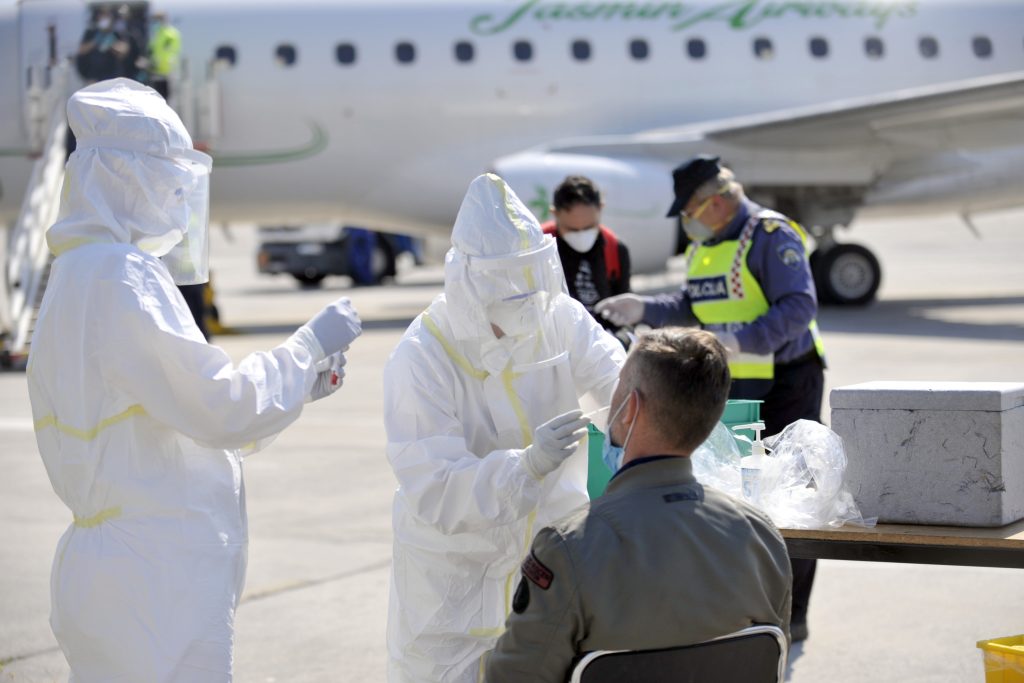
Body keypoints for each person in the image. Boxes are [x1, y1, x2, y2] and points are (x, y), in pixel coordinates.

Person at [26, 79, 363, 682]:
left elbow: (180, 419)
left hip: (125, 574)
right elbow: (221, 408)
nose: (180, 196)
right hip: (155, 581)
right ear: (124, 177)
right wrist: (306, 345)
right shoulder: (121, 275)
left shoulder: (78, 274)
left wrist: (297, 385)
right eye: (168, 177)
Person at [384, 173, 626, 682]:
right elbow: (437, 488)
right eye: (505, 292)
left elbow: (622, 384)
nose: (522, 308)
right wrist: (528, 465)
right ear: (471, 287)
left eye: (526, 285)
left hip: (548, 565)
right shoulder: (423, 356)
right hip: (455, 581)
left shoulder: (555, 315)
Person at [595, 155, 825, 642]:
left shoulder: (769, 235)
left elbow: (799, 306)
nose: (687, 221)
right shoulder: (708, 245)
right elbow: (690, 304)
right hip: (738, 385)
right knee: (738, 495)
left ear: (716, 202)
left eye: (691, 211)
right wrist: (645, 307)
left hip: (787, 379)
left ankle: (791, 614)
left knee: (791, 499)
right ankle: (743, 606)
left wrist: (741, 339)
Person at [485, 328, 792, 683]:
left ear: (630, 408)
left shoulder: (569, 549)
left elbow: (512, 677)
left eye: (616, 387)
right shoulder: (761, 539)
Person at [539, 176, 631, 339]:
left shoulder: (615, 249)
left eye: (589, 227)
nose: (581, 235)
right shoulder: (538, 249)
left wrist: (621, 339)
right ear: (555, 214)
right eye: (571, 229)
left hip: (603, 341)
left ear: (601, 208)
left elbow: (626, 313)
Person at [146, 12, 181, 100]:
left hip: (167, 74)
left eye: (156, 21)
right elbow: (152, 50)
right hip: (157, 73)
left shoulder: (171, 35)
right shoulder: (157, 34)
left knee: (168, 99)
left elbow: (171, 53)